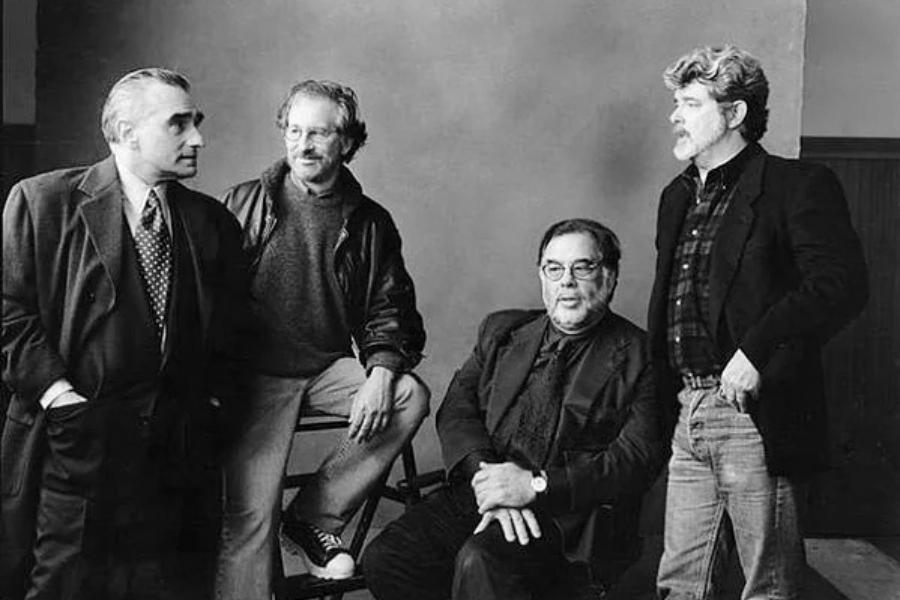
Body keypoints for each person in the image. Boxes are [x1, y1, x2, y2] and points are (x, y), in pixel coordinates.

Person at [1, 68, 248, 600]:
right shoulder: (43, 203)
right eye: (178, 123)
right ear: (125, 132)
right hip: (76, 446)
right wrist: (60, 399)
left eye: (197, 122)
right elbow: (8, 312)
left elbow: (232, 334)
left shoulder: (212, 222)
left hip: (174, 460)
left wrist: (210, 408)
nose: (198, 138)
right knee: (63, 586)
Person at [649, 45, 869, 599]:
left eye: (690, 103)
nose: (675, 116)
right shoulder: (676, 198)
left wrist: (757, 349)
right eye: (675, 103)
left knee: (767, 588)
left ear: (735, 113)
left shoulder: (797, 185)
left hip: (754, 415)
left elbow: (840, 284)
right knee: (678, 588)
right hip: (688, 412)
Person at [362, 219, 666, 600]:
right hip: (483, 486)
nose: (566, 281)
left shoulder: (644, 357)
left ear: (609, 276)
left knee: (481, 561)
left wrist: (533, 487)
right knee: (387, 557)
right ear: (541, 276)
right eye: (554, 268)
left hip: (568, 515)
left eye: (582, 267)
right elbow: (457, 411)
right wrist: (493, 483)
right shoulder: (501, 331)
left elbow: (635, 460)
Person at [214, 80, 429, 596]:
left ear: (347, 142)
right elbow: (206, 303)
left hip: (325, 369)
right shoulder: (242, 204)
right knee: (249, 522)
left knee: (408, 394)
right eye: (294, 131)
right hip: (256, 379)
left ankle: (312, 518)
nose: (303, 145)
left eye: (319, 133)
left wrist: (381, 372)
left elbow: (391, 308)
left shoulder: (370, 222)